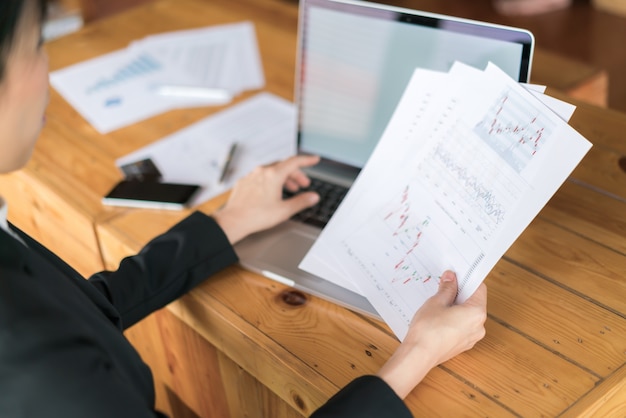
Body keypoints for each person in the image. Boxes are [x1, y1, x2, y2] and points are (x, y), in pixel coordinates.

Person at [0, 0, 487, 416]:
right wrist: (417, 354)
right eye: (37, 45)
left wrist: (227, 223)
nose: (49, 67)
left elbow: (84, 312)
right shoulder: (34, 362)